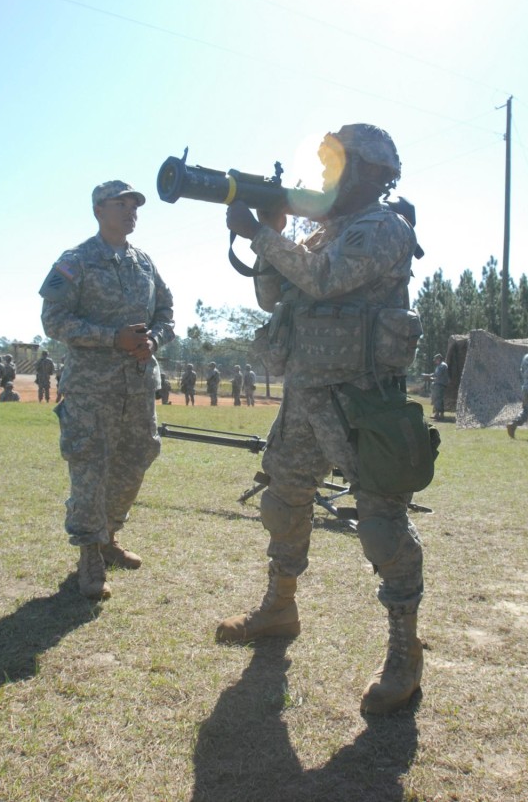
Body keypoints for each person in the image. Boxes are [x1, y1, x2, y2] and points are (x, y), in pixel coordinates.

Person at [216, 123, 425, 716]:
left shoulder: (383, 228)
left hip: (362, 405)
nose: (329, 171)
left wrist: (261, 233)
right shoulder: (321, 230)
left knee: (381, 527)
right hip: (306, 397)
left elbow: (326, 280)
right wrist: (270, 240)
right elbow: (273, 296)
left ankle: (404, 654)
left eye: (341, 162)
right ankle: (279, 608)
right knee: (283, 503)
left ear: (374, 173)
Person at [39, 179, 175, 600]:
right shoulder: (76, 261)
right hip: (90, 389)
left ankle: (109, 535)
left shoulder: (145, 263)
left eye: (135, 205)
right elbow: (53, 321)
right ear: (99, 210)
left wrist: (154, 340)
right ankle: (89, 556)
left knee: (138, 456)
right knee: (90, 466)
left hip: (137, 387)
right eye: (122, 204)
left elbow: (167, 311)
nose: (132, 210)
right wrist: (110, 337)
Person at [430, 353, 449, 420]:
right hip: (438, 384)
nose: (435, 361)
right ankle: (439, 414)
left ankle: (438, 414)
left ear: (439, 359)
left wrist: (431, 378)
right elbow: (435, 374)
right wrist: (430, 375)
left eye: (435, 360)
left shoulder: (442, 366)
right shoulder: (439, 366)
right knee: (438, 399)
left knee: (438, 399)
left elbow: (438, 375)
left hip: (440, 384)